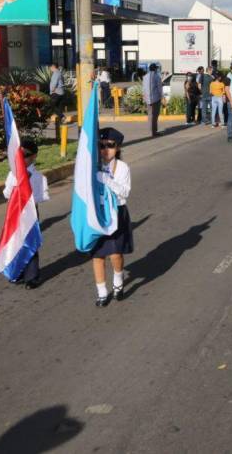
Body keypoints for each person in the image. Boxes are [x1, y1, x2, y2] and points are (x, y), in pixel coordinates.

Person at [91, 128, 133, 307]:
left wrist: (106, 180)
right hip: (98, 214)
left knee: (115, 254)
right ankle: (101, 292)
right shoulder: (93, 166)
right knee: (98, 255)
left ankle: (118, 279)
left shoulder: (123, 168)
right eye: (101, 145)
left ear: (118, 148)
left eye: (110, 145)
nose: (105, 149)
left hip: (116, 213)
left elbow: (124, 192)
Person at [2, 138, 48, 289]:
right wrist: (16, 186)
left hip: (31, 211)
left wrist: (28, 194)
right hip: (15, 211)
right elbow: (7, 193)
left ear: (34, 156)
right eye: (19, 155)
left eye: (25, 155)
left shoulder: (39, 177)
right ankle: (18, 271)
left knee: (30, 242)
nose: (21, 158)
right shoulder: (12, 174)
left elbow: (42, 196)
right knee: (16, 242)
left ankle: (32, 276)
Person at [142, 63, 163, 137]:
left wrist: (144, 98)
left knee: (150, 115)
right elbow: (159, 88)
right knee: (155, 115)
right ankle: (154, 132)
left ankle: (152, 131)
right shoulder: (157, 76)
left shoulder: (145, 77)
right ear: (155, 69)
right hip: (156, 99)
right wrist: (162, 97)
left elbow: (143, 89)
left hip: (148, 99)